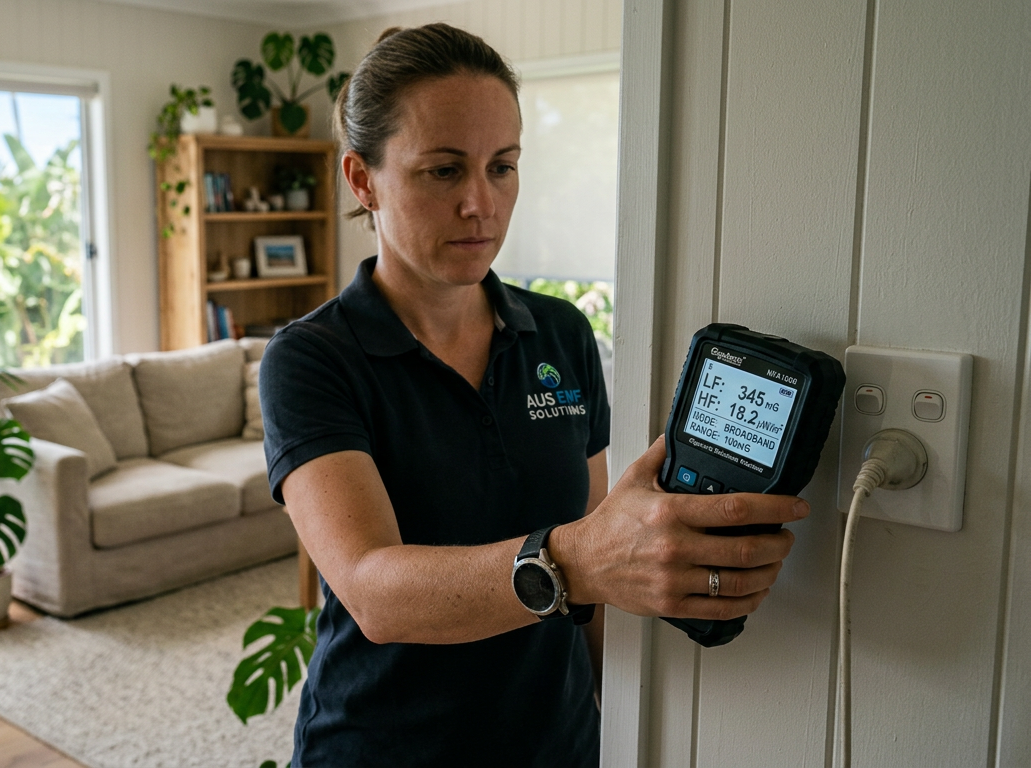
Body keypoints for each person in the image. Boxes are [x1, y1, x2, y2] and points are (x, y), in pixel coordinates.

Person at [258, 23, 808, 767]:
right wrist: (574, 559)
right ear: (363, 180)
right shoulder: (313, 359)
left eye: (503, 166)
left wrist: (629, 724)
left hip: (558, 745)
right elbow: (372, 590)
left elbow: (592, 571)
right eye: (443, 171)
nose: (480, 204)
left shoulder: (559, 333)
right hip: (382, 747)